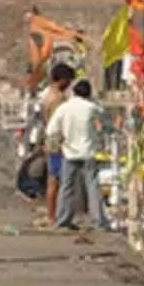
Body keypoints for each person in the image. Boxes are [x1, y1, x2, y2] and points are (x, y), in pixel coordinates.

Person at [46, 79, 109, 231]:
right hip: (88, 152)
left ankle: (63, 220)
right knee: (93, 188)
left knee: (66, 187)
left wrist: (61, 139)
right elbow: (104, 120)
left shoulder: (64, 108)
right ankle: (98, 221)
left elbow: (51, 130)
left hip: (69, 152)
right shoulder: (91, 108)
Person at [39, 63, 75, 223]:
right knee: (57, 180)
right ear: (62, 80)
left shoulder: (46, 95)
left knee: (53, 179)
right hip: (57, 141)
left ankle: (52, 214)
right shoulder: (58, 98)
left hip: (50, 139)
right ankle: (53, 215)